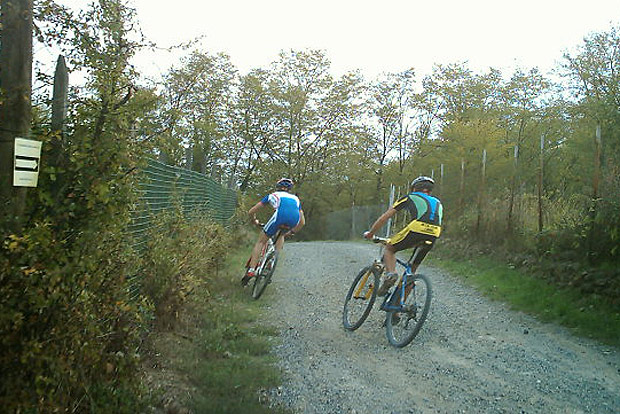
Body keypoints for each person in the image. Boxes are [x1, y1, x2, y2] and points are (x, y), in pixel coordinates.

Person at [364, 176, 443, 296]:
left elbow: (385, 217)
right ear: (430, 190)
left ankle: (391, 275)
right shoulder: (438, 202)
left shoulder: (410, 197)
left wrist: (371, 233)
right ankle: (396, 310)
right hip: (434, 233)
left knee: (390, 248)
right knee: (411, 271)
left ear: (414, 188)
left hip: (417, 228)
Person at [241, 178, 306, 286]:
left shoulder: (273, 195)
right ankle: (272, 260)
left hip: (279, 217)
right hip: (294, 219)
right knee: (281, 234)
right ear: (289, 189)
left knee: (261, 242)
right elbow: (302, 222)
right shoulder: (296, 199)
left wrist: (254, 220)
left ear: (277, 187)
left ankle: (251, 270)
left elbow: (251, 211)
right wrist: (293, 232)